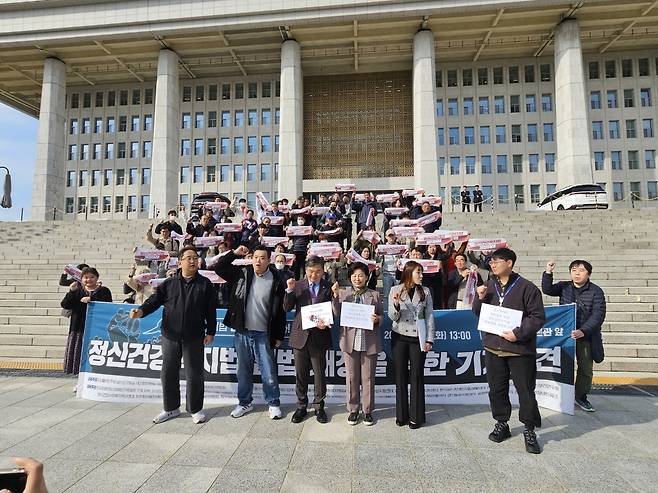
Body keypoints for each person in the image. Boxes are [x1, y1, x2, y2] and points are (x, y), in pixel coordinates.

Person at [129, 246, 217, 424]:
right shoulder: (169, 284)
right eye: (189, 258)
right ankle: (170, 408)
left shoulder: (205, 284)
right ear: (181, 262)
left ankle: (195, 409)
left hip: (194, 336)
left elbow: (210, 310)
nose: (193, 261)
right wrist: (141, 311)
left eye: (195, 258)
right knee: (168, 372)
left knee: (194, 374)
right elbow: (154, 302)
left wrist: (211, 331)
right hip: (170, 335)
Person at [472, 248, 545, 454]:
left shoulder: (527, 288)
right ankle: (502, 423)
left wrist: (518, 333)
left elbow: (537, 317)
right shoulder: (489, 286)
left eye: (496, 261)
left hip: (519, 349)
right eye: (491, 262)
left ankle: (529, 429)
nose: (492, 265)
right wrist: (479, 298)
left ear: (510, 263)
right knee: (496, 389)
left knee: (526, 392)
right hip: (493, 348)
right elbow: (478, 312)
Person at [214, 245, 287, 420]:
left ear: (269, 260)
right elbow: (218, 268)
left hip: (264, 333)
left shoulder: (277, 280)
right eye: (255, 257)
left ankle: (274, 403)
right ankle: (244, 402)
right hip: (243, 332)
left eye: (262, 258)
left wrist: (278, 335)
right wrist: (234, 253)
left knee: (268, 371)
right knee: (243, 370)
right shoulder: (242, 274)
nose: (258, 261)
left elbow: (280, 311)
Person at [542, 260, 606, 412]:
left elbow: (598, 315)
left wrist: (583, 331)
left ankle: (580, 396)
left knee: (585, 369)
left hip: (585, 335)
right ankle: (560, 395)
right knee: (561, 366)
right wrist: (548, 272)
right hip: (565, 335)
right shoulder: (565, 287)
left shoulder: (596, 291)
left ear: (588, 273)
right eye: (574, 270)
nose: (577, 273)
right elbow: (547, 289)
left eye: (581, 270)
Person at [331, 263, 383, 425]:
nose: (357, 278)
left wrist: (377, 320)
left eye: (360, 275)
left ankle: (367, 411)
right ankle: (353, 409)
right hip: (349, 341)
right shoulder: (344, 294)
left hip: (369, 341)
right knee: (352, 378)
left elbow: (382, 316)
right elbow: (337, 313)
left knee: (368, 378)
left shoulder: (374, 295)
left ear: (367, 277)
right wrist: (334, 296)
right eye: (354, 275)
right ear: (350, 278)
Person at [284, 255, 333, 424]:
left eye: (318, 272)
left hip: (319, 336)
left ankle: (319, 406)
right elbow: (287, 307)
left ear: (323, 271)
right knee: (301, 374)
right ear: (306, 271)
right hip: (300, 336)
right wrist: (289, 291)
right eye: (311, 272)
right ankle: (301, 406)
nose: (314, 275)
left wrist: (326, 322)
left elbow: (333, 312)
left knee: (319, 374)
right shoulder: (297, 285)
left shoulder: (329, 287)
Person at [388, 261, 435, 428]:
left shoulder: (426, 292)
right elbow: (393, 317)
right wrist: (395, 305)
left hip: (418, 338)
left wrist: (429, 339)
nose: (421, 275)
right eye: (418, 272)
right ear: (408, 273)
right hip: (399, 336)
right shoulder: (395, 290)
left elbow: (429, 316)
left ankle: (416, 416)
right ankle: (401, 415)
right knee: (400, 375)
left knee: (416, 375)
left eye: (422, 272)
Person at [61, 267, 112, 376]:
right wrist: (71, 291)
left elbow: (108, 306)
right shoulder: (77, 290)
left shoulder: (104, 291)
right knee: (79, 356)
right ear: (81, 279)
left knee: (95, 356)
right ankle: (80, 381)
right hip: (78, 329)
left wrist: (92, 300)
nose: (89, 279)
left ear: (97, 278)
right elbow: (65, 305)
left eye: (92, 277)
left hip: (97, 330)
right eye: (86, 277)